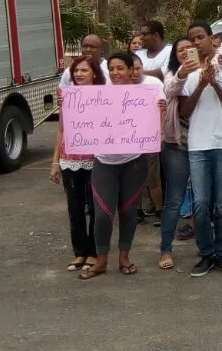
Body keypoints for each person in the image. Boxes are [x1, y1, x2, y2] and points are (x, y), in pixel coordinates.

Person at [79, 52, 165, 280]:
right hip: (104, 163)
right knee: (103, 214)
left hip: (133, 163)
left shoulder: (145, 94)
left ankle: (124, 257)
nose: (116, 73)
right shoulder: (99, 94)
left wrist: (161, 109)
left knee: (128, 212)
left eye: (120, 68)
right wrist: (67, 106)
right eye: (112, 69)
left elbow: (156, 126)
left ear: (131, 70)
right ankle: (101, 260)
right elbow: (80, 113)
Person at [178, 21, 222, 278]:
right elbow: (184, 112)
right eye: (191, 39)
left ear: (211, 38)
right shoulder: (187, 72)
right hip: (198, 145)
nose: (195, 43)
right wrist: (201, 84)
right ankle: (205, 254)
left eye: (200, 37)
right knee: (201, 203)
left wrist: (214, 82)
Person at [49, 55, 103, 272]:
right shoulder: (67, 97)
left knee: (96, 208)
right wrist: (55, 162)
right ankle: (79, 252)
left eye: (84, 71)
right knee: (75, 207)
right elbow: (61, 130)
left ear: (94, 74)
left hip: (96, 159)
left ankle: (94, 251)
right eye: (76, 71)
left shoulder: (104, 96)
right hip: (70, 158)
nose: (79, 74)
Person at [159, 37, 198, 271]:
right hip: (177, 144)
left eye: (188, 48)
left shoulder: (209, 70)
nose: (184, 52)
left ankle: (205, 248)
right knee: (174, 199)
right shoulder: (172, 73)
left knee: (204, 200)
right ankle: (165, 248)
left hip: (204, 143)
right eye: (179, 50)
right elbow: (170, 89)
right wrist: (183, 73)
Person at [132, 56, 166, 222]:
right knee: (133, 178)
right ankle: (137, 211)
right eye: (132, 69)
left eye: (138, 68)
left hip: (149, 137)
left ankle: (159, 210)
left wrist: (162, 133)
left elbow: (163, 108)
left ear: (142, 66)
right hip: (128, 140)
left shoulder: (154, 83)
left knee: (153, 177)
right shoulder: (119, 86)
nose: (135, 72)